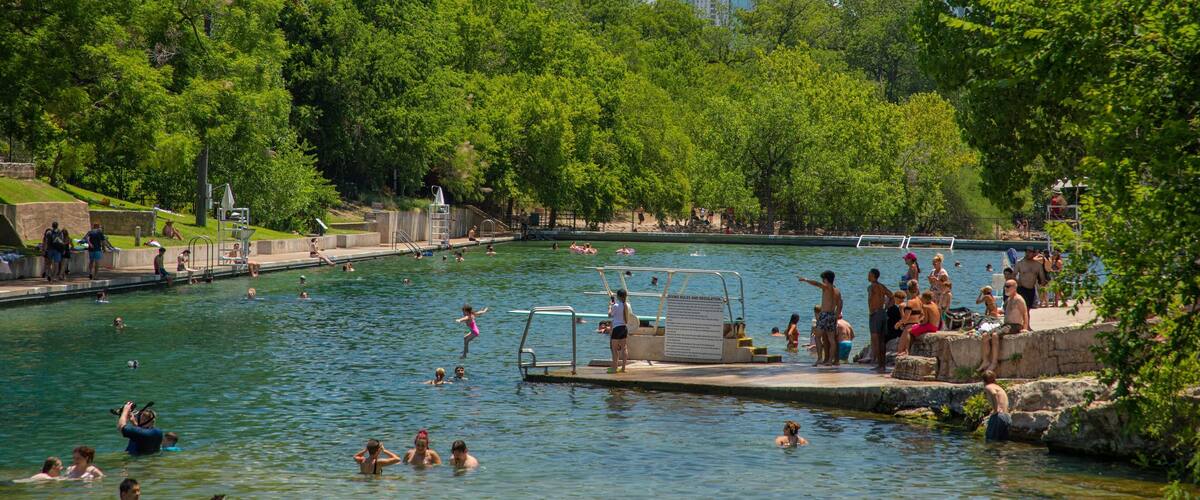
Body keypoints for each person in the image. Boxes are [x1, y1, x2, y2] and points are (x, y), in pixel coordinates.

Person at [978, 280, 1029, 373]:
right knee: (985, 335)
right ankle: (985, 361)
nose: (1006, 288)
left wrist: (1025, 328)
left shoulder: (1019, 299)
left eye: (1008, 286)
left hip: (1014, 325)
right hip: (1005, 325)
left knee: (995, 335)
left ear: (1015, 287)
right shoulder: (1008, 300)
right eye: (1005, 286)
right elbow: (1003, 311)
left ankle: (994, 363)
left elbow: (1025, 313)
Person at [798, 271, 843, 367]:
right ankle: (830, 360)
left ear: (826, 279)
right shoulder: (837, 291)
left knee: (817, 336)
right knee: (831, 339)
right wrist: (836, 315)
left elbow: (816, 284)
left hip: (825, 314)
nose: (822, 281)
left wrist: (806, 280)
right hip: (832, 315)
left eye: (823, 279)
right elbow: (840, 304)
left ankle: (819, 358)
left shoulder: (826, 287)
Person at [896, 291, 940, 357]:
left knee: (909, 331)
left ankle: (907, 351)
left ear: (924, 298)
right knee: (913, 330)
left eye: (922, 298)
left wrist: (917, 325)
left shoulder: (925, 306)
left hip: (930, 326)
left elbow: (925, 321)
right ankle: (909, 349)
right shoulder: (934, 304)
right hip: (936, 327)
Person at [866, 269, 893, 370]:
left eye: (869, 274)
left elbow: (870, 299)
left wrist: (872, 311)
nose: (868, 276)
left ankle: (879, 363)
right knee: (882, 340)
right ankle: (882, 365)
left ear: (873, 276)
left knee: (875, 340)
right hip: (882, 312)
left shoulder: (871, 287)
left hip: (875, 314)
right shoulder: (881, 286)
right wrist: (886, 307)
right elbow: (891, 296)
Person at [607, 289, 636, 374]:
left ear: (618, 296)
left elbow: (610, 315)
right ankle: (623, 368)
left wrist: (610, 306)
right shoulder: (627, 305)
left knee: (614, 349)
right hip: (624, 328)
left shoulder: (615, 306)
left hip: (617, 328)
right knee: (624, 348)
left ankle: (614, 368)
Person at [1014, 247, 1046, 312]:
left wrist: (1042, 286)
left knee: (1028, 309)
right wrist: (1018, 282)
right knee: (1023, 308)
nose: (1027, 254)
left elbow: (1042, 278)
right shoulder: (1020, 263)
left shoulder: (1038, 265)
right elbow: (1013, 275)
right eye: (1026, 252)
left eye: (1030, 252)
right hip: (1021, 288)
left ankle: (1026, 319)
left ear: (1034, 253)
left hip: (1031, 289)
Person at [982, 370, 1010, 442]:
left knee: (990, 441)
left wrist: (995, 409)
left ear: (984, 380)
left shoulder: (988, 386)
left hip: (998, 416)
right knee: (1002, 443)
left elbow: (993, 393)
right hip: (1007, 417)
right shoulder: (998, 387)